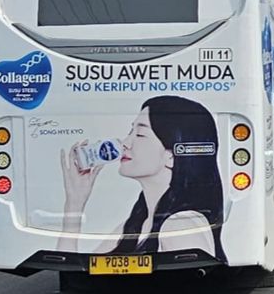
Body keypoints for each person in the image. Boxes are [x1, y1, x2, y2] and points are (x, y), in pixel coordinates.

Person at [60, 95, 225, 259]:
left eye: (140, 134)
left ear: (171, 156)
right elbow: (76, 270)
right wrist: (75, 202)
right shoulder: (135, 225)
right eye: (130, 131)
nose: (125, 142)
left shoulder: (180, 224)